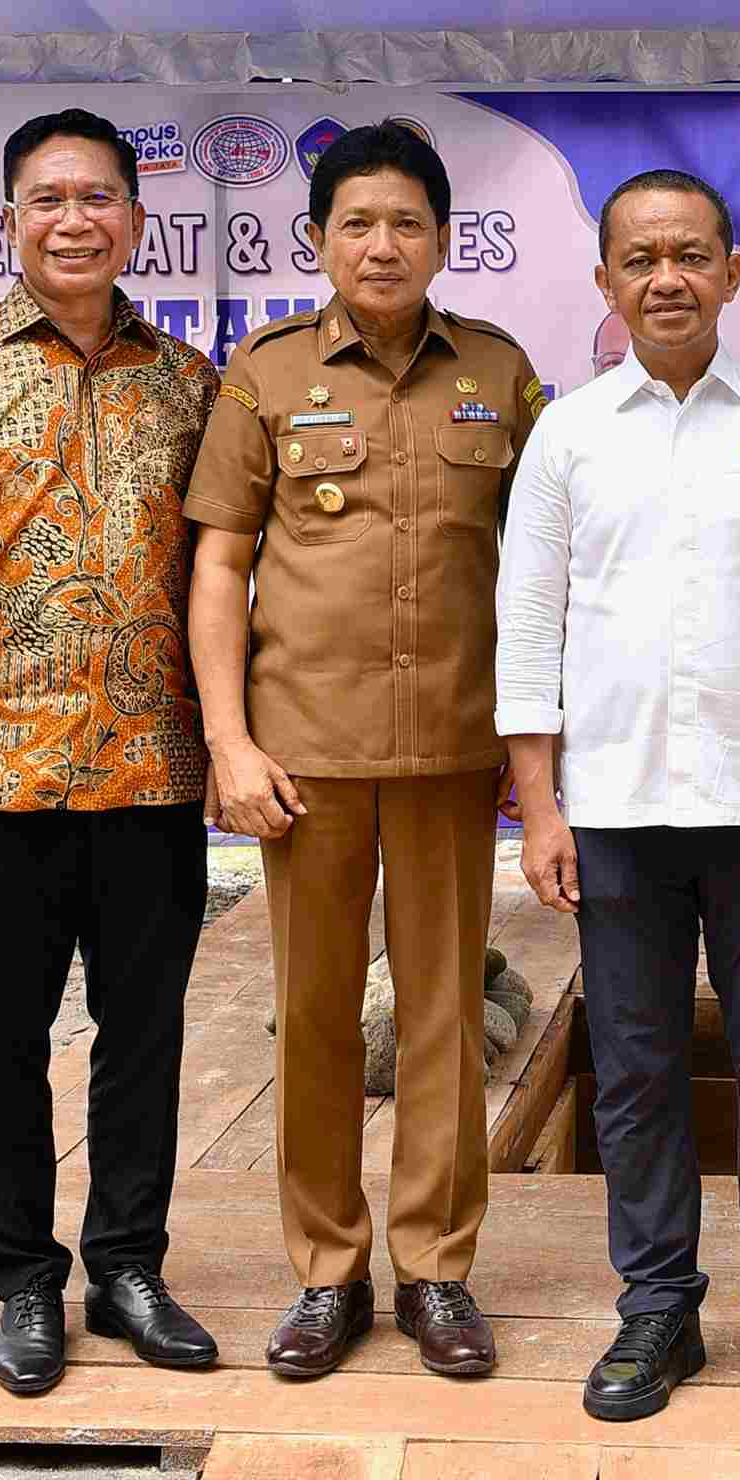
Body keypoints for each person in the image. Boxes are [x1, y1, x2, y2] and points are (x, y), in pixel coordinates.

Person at [498, 170, 740, 1427]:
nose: (667, 276)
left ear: (731, 273)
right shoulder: (567, 433)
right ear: (605, 281)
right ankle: (656, 1301)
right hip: (611, 808)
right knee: (637, 1070)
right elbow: (529, 625)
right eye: (640, 257)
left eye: (691, 254)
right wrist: (539, 806)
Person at [186, 121, 545, 1382]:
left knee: (445, 1013)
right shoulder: (265, 374)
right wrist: (229, 741)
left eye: (405, 222)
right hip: (306, 753)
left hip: (454, 747)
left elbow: (544, 566)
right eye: (356, 223)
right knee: (316, 1013)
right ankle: (327, 1268)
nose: (381, 244)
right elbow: (220, 560)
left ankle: (436, 1266)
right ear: (319, 240)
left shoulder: (500, 375)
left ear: (444, 239)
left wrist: (533, 743)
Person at [0, 109, 225, 1396]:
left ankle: (128, 1262)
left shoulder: (190, 382)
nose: (73, 220)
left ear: (136, 218)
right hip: (2, 781)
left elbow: (225, 581)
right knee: (5, 1038)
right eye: (45, 199)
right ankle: (24, 1275)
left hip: (153, 772)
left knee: (145, 1033)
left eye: (96, 197)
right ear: (9, 219)